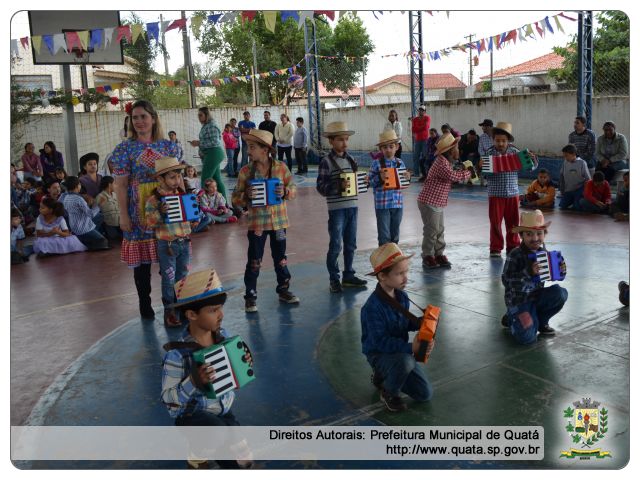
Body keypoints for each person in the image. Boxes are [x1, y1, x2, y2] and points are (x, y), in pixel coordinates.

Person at [160, 268, 254, 469]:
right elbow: (168, 401)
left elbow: (234, 379)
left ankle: (205, 449)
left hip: (222, 410)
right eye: (213, 310)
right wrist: (193, 381)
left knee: (244, 463)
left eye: (220, 308)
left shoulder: (223, 337)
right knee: (216, 433)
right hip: (191, 415)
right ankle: (197, 455)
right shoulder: (177, 355)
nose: (220, 315)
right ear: (192, 314)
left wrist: (243, 362)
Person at [112, 99, 182, 320]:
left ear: (153, 118)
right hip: (138, 210)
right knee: (141, 266)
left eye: (144, 116)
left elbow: (178, 181)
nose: (140, 121)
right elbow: (121, 185)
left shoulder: (169, 146)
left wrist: (185, 208)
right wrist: (123, 215)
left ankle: (171, 305)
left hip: (167, 209)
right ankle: (145, 303)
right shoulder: (124, 148)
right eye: (135, 117)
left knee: (169, 260)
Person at [360, 243, 434, 412]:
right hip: (379, 354)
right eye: (399, 273)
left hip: (399, 353)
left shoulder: (402, 296)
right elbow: (380, 342)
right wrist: (411, 348)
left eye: (406, 271)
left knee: (425, 394)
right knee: (406, 361)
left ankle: (383, 377)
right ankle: (388, 391)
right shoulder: (372, 308)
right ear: (382, 277)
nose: (405, 278)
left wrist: (422, 323)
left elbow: (402, 323)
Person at [232, 129, 299, 313]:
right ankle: (250, 296)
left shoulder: (281, 167)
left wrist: (285, 192)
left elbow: (292, 188)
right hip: (257, 224)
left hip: (279, 222)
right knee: (254, 260)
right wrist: (246, 195)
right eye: (248, 147)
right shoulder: (246, 171)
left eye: (252, 147)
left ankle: (284, 290)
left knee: (281, 259)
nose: (248, 151)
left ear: (265, 149)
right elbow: (235, 199)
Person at [316, 121, 369, 293]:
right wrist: (336, 187)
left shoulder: (351, 159)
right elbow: (320, 187)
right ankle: (334, 279)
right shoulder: (326, 161)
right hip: (337, 210)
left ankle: (348, 275)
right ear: (331, 141)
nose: (345, 143)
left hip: (353, 207)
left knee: (351, 244)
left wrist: (364, 182)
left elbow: (356, 184)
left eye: (346, 139)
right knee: (336, 245)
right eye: (340, 140)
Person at [501, 210, 568, 345]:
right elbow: (506, 281)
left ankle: (541, 322)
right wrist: (529, 272)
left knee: (560, 293)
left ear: (545, 234)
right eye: (529, 234)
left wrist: (560, 270)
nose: (535, 238)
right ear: (521, 236)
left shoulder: (543, 253)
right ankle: (511, 318)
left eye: (539, 233)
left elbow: (552, 275)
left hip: (536, 297)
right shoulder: (515, 254)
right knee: (527, 338)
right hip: (519, 302)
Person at [144, 157, 193, 327]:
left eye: (178, 177)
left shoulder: (183, 195)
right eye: (172, 177)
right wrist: (160, 213)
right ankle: (170, 311)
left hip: (185, 242)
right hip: (167, 245)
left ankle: (183, 307)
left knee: (183, 276)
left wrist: (194, 216)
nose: (176, 181)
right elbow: (150, 222)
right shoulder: (154, 200)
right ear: (160, 179)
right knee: (169, 278)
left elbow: (191, 220)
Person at [417, 133, 473, 269]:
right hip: (429, 202)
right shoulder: (441, 163)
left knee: (440, 229)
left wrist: (463, 169)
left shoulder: (446, 162)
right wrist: (468, 173)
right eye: (456, 149)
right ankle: (427, 255)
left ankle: (438, 253)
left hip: (438, 202)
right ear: (450, 151)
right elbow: (452, 176)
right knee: (432, 230)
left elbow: (452, 172)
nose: (459, 151)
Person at [482, 122, 535, 257]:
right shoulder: (489, 153)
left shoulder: (515, 152)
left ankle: (513, 246)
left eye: (503, 141)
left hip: (512, 193)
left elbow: (529, 169)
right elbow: (485, 175)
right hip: (495, 194)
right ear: (493, 140)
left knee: (513, 222)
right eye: (498, 140)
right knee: (495, 222)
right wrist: (484, 166)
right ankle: (495, 247)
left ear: (508, 141)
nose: (500, 143)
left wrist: (533, 161)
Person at [368, 130, 409, 246]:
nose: (388, 150)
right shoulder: (376, 163)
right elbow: (369, 182)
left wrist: (407, 177)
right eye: (385, 147)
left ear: (397, 147)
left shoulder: (400, 163)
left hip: (398, 204)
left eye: (391, 146)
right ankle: (384, 261)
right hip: (382, 205)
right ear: (381, 149)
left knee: (395, 234)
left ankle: (394, 258)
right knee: (384, 236)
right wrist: (379, 178)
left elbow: (404, 183)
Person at [189, 107, 228, 202]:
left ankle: (205, 204)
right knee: (216, 179)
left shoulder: (212, 125)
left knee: (205, 179)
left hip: (214, 153)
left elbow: (215, 142)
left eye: (201, 115)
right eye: (198, 115)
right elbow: (207, 141)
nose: (199, 117)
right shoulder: (206, 125)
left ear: (207, 115)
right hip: (212, 154)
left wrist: (198, 143)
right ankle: (224, 203)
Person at [62, 176, 110, 251]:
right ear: (77, 186)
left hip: (74, 228)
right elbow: (90, 215)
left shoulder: (66, 197)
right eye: (79, 184)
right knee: (103, 242)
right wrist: (99, 205)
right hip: (83, 229)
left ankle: (89, 238)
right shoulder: (79, 199)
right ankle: (87, 242)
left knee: (99, 216)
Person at [558, 144, 591, 211]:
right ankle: (573, 199)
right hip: (568, 190)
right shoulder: (565, 162)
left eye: (566, 156)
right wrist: (562, 189)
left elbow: (588, 180)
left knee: (577, 207)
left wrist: (585, 192)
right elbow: (561, 175)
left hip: (579, 189)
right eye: (564, 156)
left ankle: (577, 200)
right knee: (562, 205)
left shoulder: (582, 163)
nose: (565, 158)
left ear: (573, 154)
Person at [95, 176, 121, 242]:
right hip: (109, 225)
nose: (116, 185)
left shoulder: (115, 195)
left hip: (120, 223)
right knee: (114, 239)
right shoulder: (100, 196)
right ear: (109, 185)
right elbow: (95, 212)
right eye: (114, 183)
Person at [411, 106, 430, 181]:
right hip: (417, 140)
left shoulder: (427, 118)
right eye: (420, 110)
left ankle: (426, 173)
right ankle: (416, 173)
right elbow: (413, 129)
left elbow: (426, 127)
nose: (421, 111)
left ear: (425, 111)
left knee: (425, 156)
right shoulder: (415, 119)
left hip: (425, 140)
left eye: (422, 110)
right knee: (416, 156)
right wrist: (421, 127)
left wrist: (418, 127)